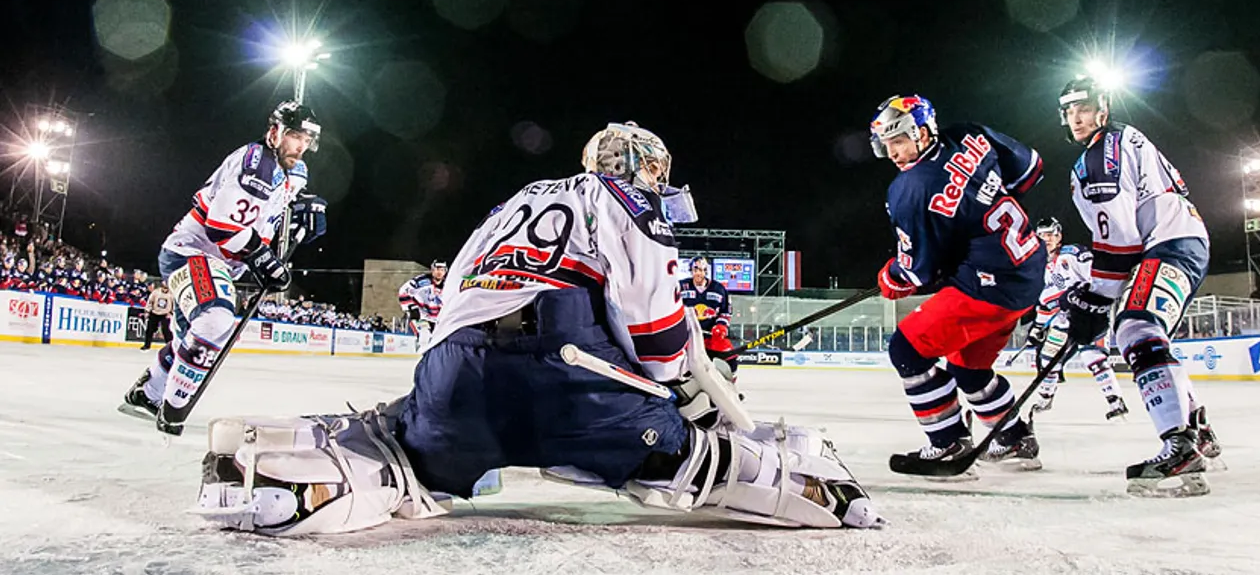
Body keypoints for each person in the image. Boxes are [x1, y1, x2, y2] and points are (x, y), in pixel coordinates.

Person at [190, 121, 880, 535]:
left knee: (408, 451)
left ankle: (320, 481)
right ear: (638, 164)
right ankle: (803, 485)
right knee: (683, 452)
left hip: (453, 376)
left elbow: (452, 301)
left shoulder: (513, 200)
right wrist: (673, 396)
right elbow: (658, 331)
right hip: (572, 377)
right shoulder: (625, 198)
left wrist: (438, 397)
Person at [118, 101, 328, 436]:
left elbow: (280, 200)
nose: (300, 145)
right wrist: (262, 258)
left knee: (192, 339)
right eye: (293, 136)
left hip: (222, 263)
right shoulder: (256, 165)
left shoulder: (294, 170)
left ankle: (148, 394)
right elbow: (221, 228)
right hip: (193, 253)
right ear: (275, 132)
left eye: (306, 139)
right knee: (215, 319)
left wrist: (307, 206)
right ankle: (172, 410)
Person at [1056, 76, 1221, 497]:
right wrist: (1093, 299)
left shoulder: (1099, 157)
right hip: (1177, 241)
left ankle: (1180, 448)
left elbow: (1121, 241)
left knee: (1134, 326)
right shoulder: (1123, 140)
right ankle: (1197, 429)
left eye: (1083, 107)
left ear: (1103, 108)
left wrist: (1093, 300)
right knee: (1145, 330)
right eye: (1069, 110)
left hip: (1167, 244)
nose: (1076, 117)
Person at [870, 95, 1047, 471]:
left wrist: (891, 277)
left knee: (907, 350)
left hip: (988, 285)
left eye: (899, 141)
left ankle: (947, 440)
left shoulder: (909, 189)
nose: (893, 154)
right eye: (887, 144)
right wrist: (978, 206)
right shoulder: (969, 134)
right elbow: (1030, 170)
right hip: (1027, 267)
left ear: (921, 132)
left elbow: (915, 273)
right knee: (968, 370)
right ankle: (1014, 439)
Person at [1024, 217, 1128, 421]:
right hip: (1062, 321)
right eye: (1042, 236)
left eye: (1050, 235)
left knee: (1094, 357)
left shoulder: (1073, 255)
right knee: (1048, 360)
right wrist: (1038, 327)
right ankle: (1046, 398)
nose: (1046, 240)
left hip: (1088, 315)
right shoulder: (1039, 268)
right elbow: (1046, 303)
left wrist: (1077, 293)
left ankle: (1115, 400)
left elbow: (1097, 278)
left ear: (1058, 236)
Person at [678, 256, 738, 377]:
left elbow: (726, 312)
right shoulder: (681, 286)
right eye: (695, 269)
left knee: (731, 360)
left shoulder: (719, 289)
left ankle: (728, 387)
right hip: (687, 337)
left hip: (712, 336)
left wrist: (721, 326)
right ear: (691, 271)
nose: (698, 273)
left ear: (706, 271)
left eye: (701, 269)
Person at [398, 259, 448, 349]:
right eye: (437, 269)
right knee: (424, 337)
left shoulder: (448, 284)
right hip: (422, 316)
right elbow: (403, 290)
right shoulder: (421, 281)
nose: (439, 272)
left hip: (438, 319)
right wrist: (411, 307)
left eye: (442, 269)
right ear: (432, 270)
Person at [141, 282, 174, 350]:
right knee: (149, 330)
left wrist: (171, 313)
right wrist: (147, 311)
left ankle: (169, 347)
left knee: (167, 331)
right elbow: (150, 302)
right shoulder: (156, 292)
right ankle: (147, 345)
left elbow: (174, 305)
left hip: (165, 314)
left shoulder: (171, 294)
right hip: (154, 313)